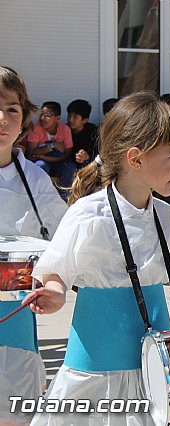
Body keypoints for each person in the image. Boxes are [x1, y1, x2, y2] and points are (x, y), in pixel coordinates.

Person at [24, 92, 170, 426]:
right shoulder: (88, 213)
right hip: (96, 365)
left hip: (154, 369)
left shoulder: (166, 215)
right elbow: (57, 270)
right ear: (136, 158)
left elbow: (164, 273)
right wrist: (55, 293)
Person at [0, 65, 67, 426]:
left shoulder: (37, 180)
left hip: (15, 321)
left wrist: (54, 283)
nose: (2, 118)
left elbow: (62, 242)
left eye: (12, 108)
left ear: (24, 119)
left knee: (14, 413)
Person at [26, 101, 74, 197]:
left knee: (70, 167)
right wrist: (52, 145)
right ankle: (38, 196)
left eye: (47, 115)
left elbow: (67, 153)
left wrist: (41, 154)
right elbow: (31, 153)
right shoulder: (35, 128)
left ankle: (65, 198)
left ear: (58, 118)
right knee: (40, 165)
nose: (42, 118)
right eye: (41, 114)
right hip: (42, 162)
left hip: (59, 162)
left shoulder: (65, 129)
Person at [67, 99, 98, 180]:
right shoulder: (64, 130)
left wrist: (88, 156)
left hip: (88, 162)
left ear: (85, 120)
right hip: (69, 162)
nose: (70, 120)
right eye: (69, 115)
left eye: (75, 117)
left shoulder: (93, 131)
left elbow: (98, 151)